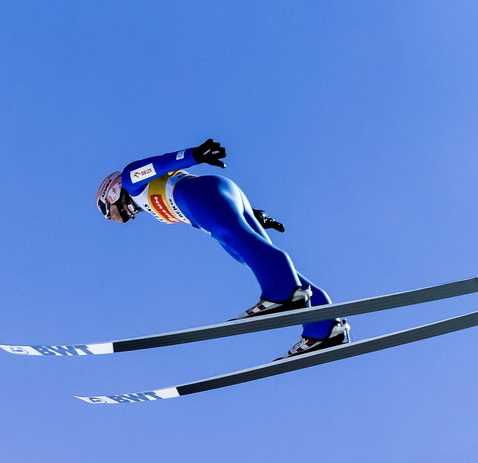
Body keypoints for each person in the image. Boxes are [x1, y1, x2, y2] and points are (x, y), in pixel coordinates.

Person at [95, 139, 349, 357]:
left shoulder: (130, 180)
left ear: (111, 191)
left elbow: (158, 164)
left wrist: (195, 154)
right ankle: (323, 328)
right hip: (214, 194)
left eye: (107, 210)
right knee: (245, 250)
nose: (113, 217)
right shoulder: (143, 197)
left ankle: (281, 294)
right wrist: (255, 216)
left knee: (239, 240)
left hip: (199, 196)